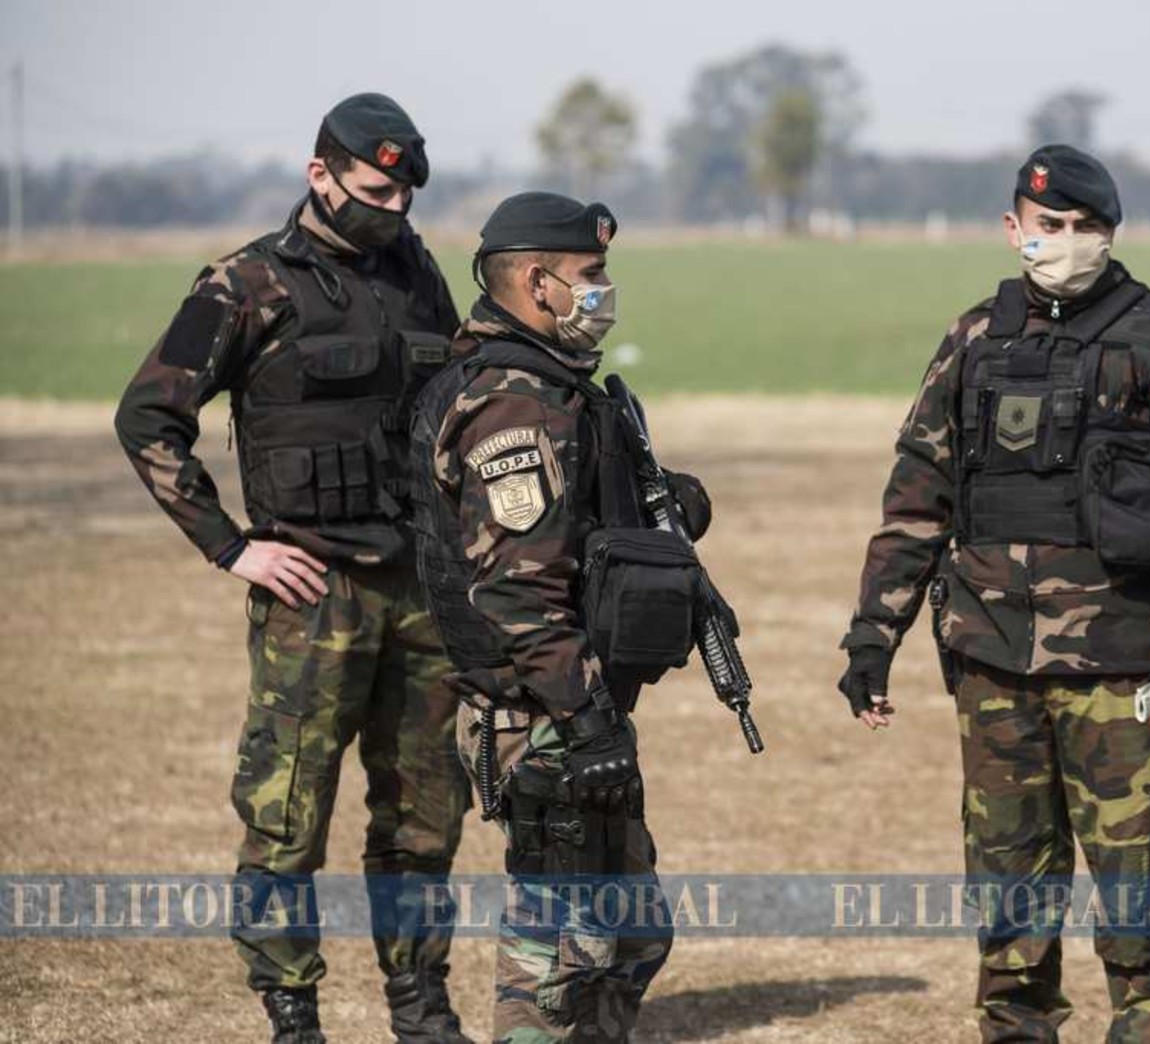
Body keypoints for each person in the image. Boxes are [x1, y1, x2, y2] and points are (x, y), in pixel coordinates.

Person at [838, 144, 1150, 1043]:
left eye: (1085, 228)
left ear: (1111, 234)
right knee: (1008, 897)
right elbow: (918, 493)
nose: (1066, 242)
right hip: (991, 665)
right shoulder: (974, 338)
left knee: (1142, 896)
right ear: (1013, 228)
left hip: (1121, 668)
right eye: (1049, 226)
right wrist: (872, 636)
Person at [114, 93, 471, 1043]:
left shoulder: (418, 274)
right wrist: (230, 546)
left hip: (422, 593)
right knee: (286, 823)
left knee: (424, 821)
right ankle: (292, 1014)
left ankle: (421, 1005)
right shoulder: (245, 284)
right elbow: (147, 417)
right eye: (372, 188)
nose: (391, 208)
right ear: (319, 174)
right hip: (311, 595)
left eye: (403, 193)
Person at [411, 192, 706, 1043]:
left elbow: (560, 530)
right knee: (558, 954)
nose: (604, 291)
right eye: (591, 275)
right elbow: (514, 591)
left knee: (631, 934)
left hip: (567, 707)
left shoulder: (545, 385)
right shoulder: (512, 402)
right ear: (538, 283)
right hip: (540, 715)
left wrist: (652, 503)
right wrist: (584, 721)